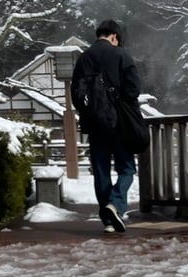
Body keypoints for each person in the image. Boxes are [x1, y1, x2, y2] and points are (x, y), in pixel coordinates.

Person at [70, 19, 140, 234]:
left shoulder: (83, 59)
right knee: (127, 168)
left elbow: (76, 95)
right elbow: (133, 90)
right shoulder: (122, 55)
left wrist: (90, 113)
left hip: (95, 124)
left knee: (101, 171)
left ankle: (108, 220)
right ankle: (116, 205)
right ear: (114, 36)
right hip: (119, 124)